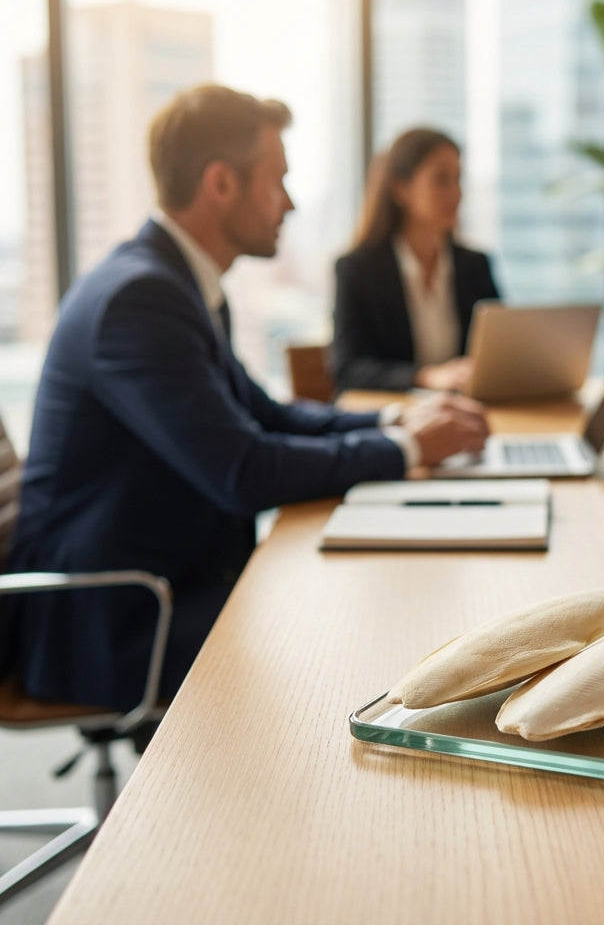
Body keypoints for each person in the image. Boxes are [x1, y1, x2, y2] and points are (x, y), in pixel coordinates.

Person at [5, 84, 489, 713]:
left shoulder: (179, 283)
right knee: (350, 654)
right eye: (277, 181)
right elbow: (242, 470)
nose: (288, 203)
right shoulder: (139, 302)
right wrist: (405, 448)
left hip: (174, 575)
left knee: (369, 620)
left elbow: (267, 415)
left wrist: (395, 417)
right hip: (117, 616)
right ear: (221, 184)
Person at [331, 127, 500, 394]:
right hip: (396, 418)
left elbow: (499, 353)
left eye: (458, 179)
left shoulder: (475, 266)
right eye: (441, 180)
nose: (456, 193)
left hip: (468, 414)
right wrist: (425, 377)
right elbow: (348, 369)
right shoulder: (358, 270)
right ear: (402, 189)